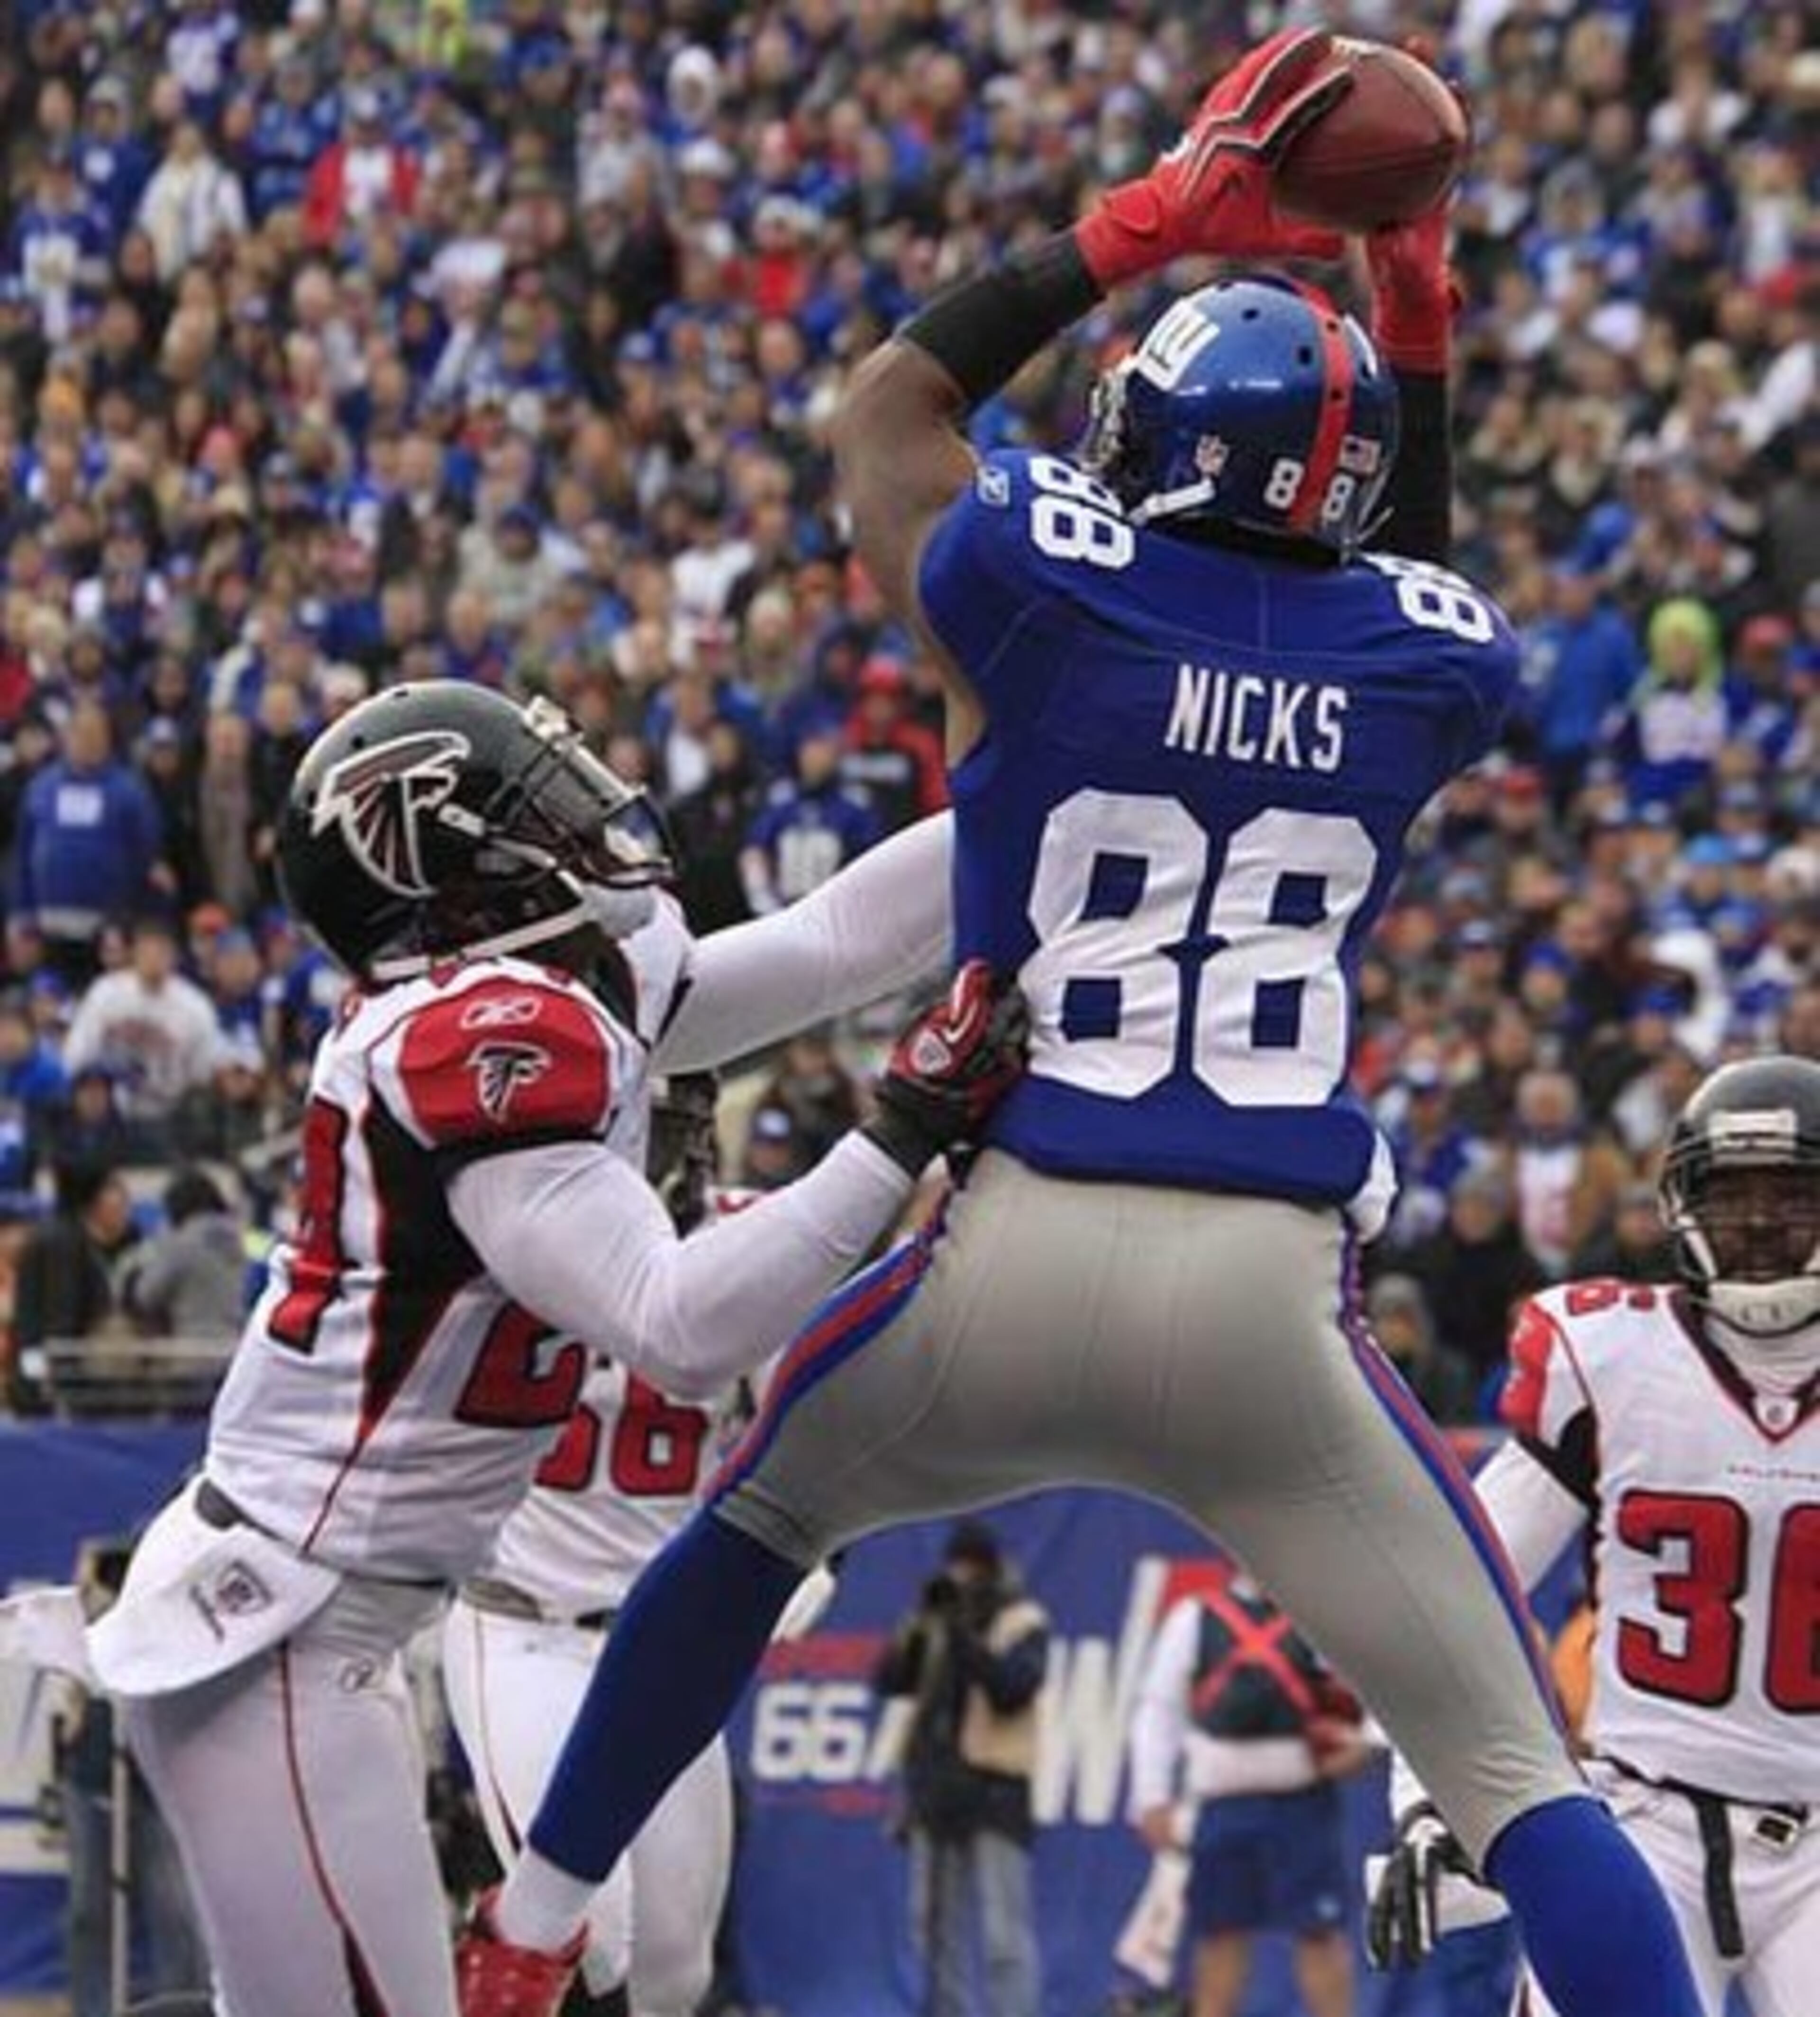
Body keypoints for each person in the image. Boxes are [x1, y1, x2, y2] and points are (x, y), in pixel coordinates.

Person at [457, 32, 1700, 2017]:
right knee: (1528, 1784)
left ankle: (524, 1929)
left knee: (743, 1534)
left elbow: (892, 408)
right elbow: (1414, 572)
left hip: (1011, 1237)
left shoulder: (1044, 587)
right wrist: (1420, 324)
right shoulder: (1426, 658)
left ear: (1145, 434)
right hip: (1271, 1301)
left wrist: (1136, 229)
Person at [37, 681, 1022, 2017]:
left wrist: (1043, 804)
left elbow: (835, 942)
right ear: (447, 871)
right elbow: (677, 1326)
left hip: (342, 1629)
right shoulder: (479, 1032)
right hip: (282, 1626)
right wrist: (902, 1128)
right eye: (529, 804)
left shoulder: (550, 987)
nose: (581, 812)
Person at [1367, 1054, 1820, 2016]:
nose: (1761, 1226)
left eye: (1792, 1198)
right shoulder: (1614, 1356)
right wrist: (1426, 1795)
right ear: (1681, 1207)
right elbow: (1453, 1591)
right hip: (1640, 1824)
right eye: (1734, 1198)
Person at [442, 1074, 835, 2017]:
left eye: (677, 1123)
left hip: (663, 1639)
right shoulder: (505, 1231)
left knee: (673, 1971)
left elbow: (824, 1426)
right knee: (590, 1932)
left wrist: (821, 1547)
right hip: (523, 1622)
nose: (660, 1147)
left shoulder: (743, 1237)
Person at [1128, 1576, 1368, 2017]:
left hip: (1302, 1805)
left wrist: (1367, 1745)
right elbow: (1158, 1709)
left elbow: (1376, 1693)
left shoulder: (1321, 1621)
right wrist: (1152, 1796)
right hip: (1223, 1806)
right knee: (1220, 1936)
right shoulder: (1195, 1619)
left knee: (1321, 1934)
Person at [873, 1520, 1049, 2017]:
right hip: (936, 1788)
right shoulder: (934, 1621)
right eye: (955, 1570)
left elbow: (1012, 1688)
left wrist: (963, 1635)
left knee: (1003, 1935)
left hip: (996, 1791)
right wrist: (919, 1626)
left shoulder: (1022, 1619)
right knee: (931, 1927)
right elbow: (889, 1680)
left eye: (970, 1570)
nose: (962, 1580)